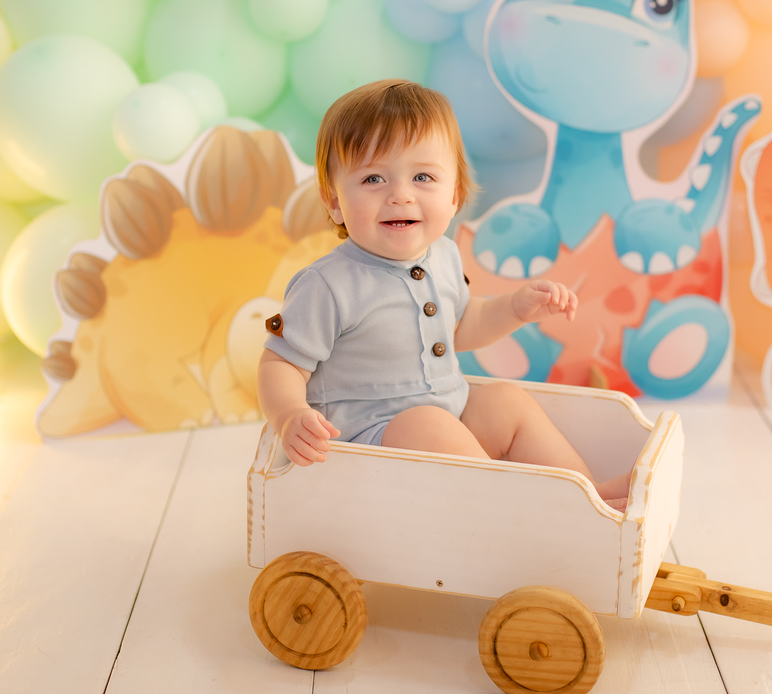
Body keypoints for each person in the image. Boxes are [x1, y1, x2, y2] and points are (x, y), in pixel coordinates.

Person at [256, 79, 630, 509]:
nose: (400, 195)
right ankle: (519, 513)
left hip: (447, 418)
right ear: (334, 201)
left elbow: (462, 325)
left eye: (422, 177)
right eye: (373, 178)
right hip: (364, 445)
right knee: (428, 425)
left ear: (454, 195)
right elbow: (280, 363)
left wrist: (516, 308)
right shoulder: (327, 285)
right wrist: (290, 414)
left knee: (506, 401)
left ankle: (585, 495)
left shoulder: (445, 256)